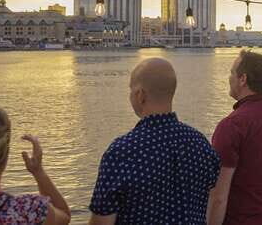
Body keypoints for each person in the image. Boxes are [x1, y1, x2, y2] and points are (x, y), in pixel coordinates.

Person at [89, 58, 220, 225]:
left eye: (131, 90)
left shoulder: (121, 153)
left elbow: (102, 221)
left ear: (140, 95)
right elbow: (210, 201)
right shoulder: (201, 145)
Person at [208, 50, 262, 225]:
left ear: (243, 79)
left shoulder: (231, 126)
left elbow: (218, 197)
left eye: (232, 73)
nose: (229, 78)